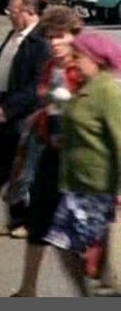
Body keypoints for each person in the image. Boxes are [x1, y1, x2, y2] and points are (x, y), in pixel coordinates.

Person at [11, 6, 84, 297]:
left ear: (73, 37)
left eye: (60, 36)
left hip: (76, 160)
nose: (54, 42)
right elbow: (49, 105)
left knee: (72, 233)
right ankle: (28, 287)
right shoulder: (50, 69)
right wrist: (39, 118)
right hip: (49, 154)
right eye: (50, 37)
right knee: (39, 221)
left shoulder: (82, 70)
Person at [42, 31, 121, 296]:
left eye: (79, 56)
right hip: (78, 184)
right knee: (71, 245)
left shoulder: (108, 90)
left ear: (95, 58)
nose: (75, 61)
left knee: (65, 242)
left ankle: (93, 293)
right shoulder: (84, 88)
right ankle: (94, 291)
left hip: (97, 187)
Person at [0, 0, 50, 238]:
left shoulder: (40, 42)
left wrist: (10, 107)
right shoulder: (12, 36)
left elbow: (37, 85)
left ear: (29, 11)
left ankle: (29, 220)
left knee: (25, 169)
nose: (9, 17)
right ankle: (14, 216)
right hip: (3, 109)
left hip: (24, 114)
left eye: (12, 12)